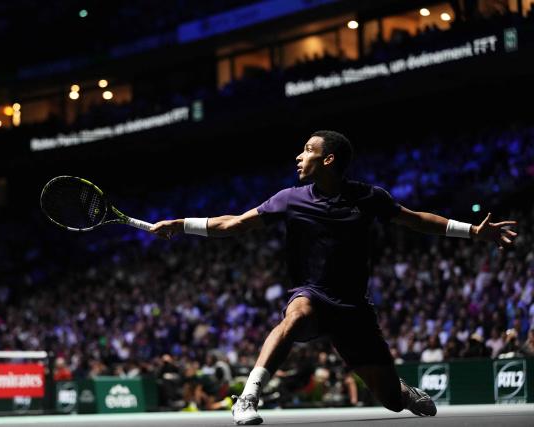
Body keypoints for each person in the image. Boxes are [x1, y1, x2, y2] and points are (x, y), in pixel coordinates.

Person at [150, 130, 518, 425]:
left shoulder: (368, 197)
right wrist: (181, 225)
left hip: (354, 309)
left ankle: (401, 392)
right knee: (297, 315)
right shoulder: (290, 199)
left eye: (307, 150)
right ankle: (248, 396)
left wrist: (473, 231)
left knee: (390, 401)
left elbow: (416, 219)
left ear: (328, 159)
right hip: (311, 292)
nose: (299, 156)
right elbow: (234, 224)